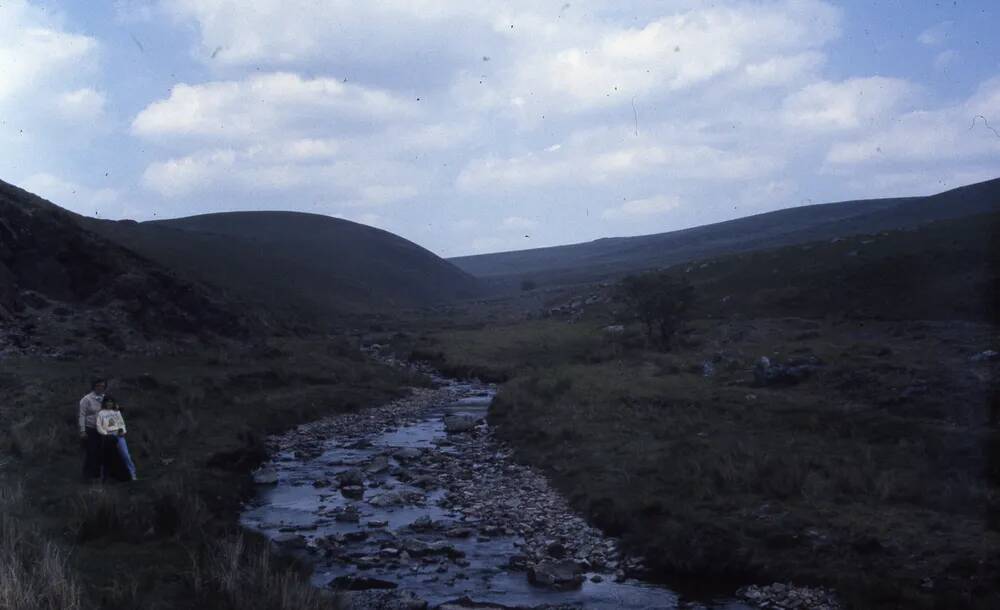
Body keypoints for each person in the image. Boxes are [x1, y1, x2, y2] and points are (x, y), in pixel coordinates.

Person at [96, 396, 137, 481]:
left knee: (125, 455)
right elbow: (99, 426)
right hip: (108, 437)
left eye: (111, 402)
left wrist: (122, 431)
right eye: (107, 401)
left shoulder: (116, 412)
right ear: (104, 403)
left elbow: (122, 423)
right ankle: (105, 477)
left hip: (119, 435)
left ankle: (132, 474)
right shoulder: (101, 413)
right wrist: (106, 434)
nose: (109, 403)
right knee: (107, 457)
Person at [79, 379, 106, 480]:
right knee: (91, 452)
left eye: (102, 386)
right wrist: (82, 430)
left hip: (102, 429)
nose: (100, 388)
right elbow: (81, 415)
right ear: (94, 386)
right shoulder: (86, 399)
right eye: (98, 385)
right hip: (90, 429)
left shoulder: (105, 398)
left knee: (100, 452)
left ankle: (97, 475)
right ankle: (86, 476)